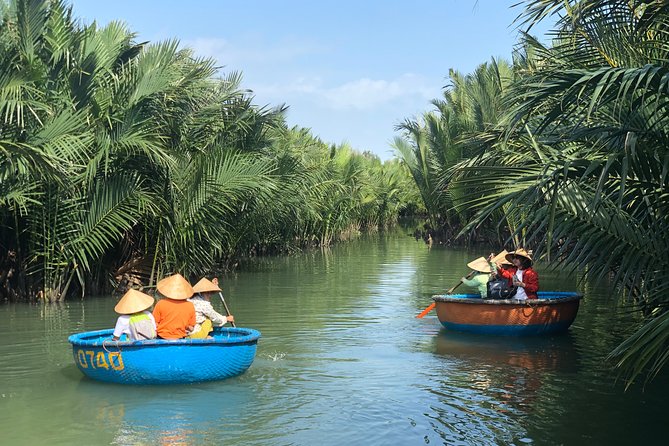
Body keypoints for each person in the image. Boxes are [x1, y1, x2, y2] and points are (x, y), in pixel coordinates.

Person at [152, 273, 196, 339]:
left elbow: (154, 324)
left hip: (162, 337)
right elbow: (191, 328)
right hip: (180, 338)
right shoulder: (190, 305)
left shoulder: (161, 303)